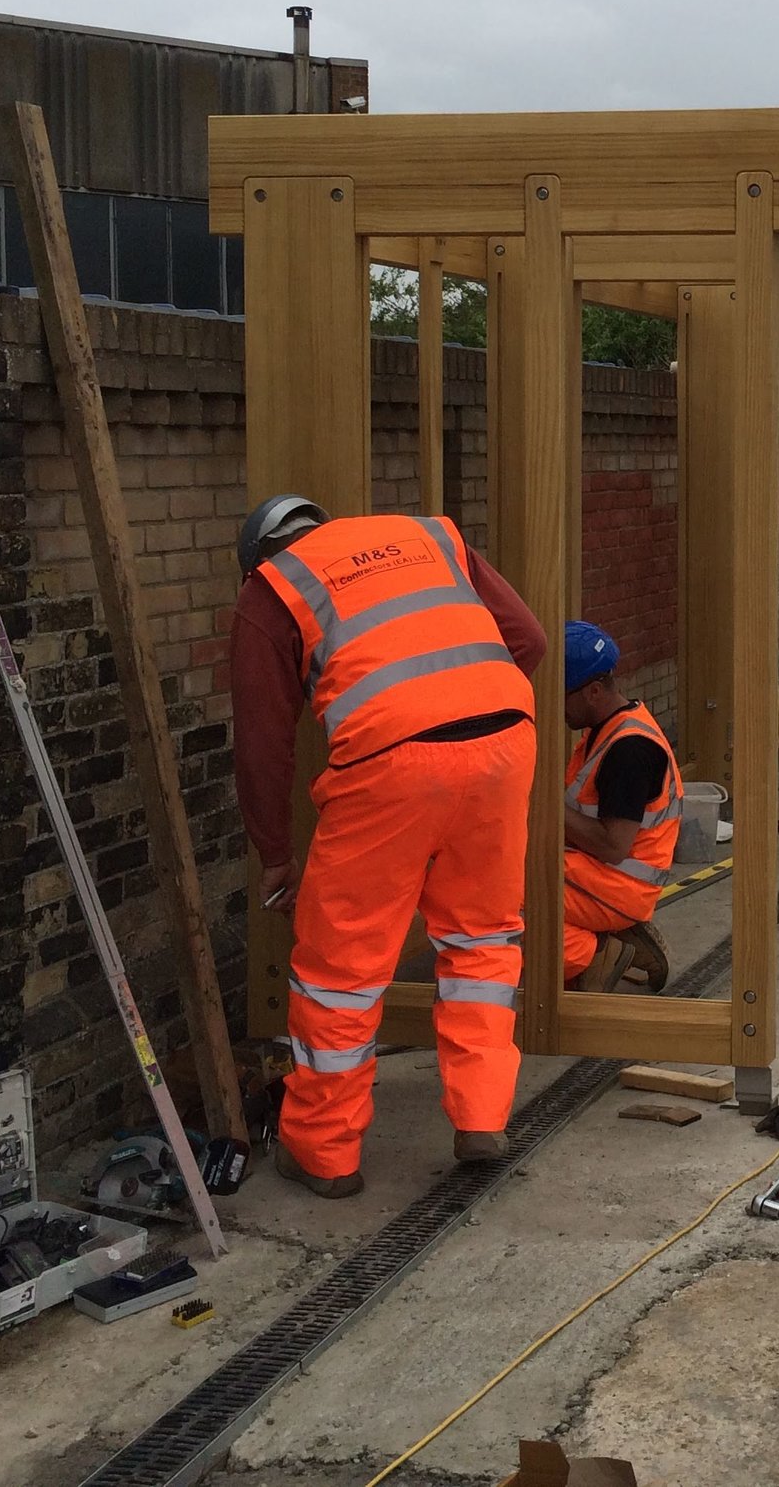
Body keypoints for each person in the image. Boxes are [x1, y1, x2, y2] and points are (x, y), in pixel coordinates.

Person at [230, 497, 547, 1199]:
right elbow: (527, 638)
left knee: (339, 967)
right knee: (483, 938)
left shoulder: (271, 586)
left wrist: (275, 854)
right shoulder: (426, 534)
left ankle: (323, 1150)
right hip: (504, 738)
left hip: (391, 761)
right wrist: (461, 706)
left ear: (260, 554)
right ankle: (482, 1118)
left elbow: (261, 741)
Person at [557, 620, 680, 995]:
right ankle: (610, 934)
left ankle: (594, 955)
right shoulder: (608, 727)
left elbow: (613, 846)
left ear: (593, 691)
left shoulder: (629, 750)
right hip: (600, 875)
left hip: (618, 884)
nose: (553, 704)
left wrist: (539, 806)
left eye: (560, 693)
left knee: (496, 898)